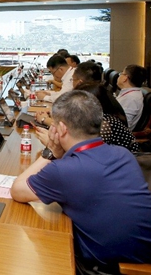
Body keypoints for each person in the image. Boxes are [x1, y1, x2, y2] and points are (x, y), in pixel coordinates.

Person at [11, 91, 151, 274]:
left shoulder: (65, 170)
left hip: (104, 268)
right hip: (142, 255)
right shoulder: (123, 154)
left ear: (61, 129)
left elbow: (17, 190)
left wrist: (51, 151)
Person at [116, 64, 147, 131]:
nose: (119, 75)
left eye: (121, 73)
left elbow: (122, 126)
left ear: (125, 78)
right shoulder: (130, 93)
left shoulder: (131, 98)